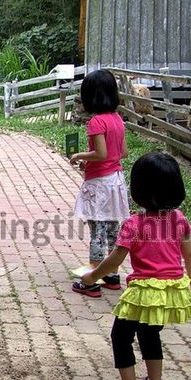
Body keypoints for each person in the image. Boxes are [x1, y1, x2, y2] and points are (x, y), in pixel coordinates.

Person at [81, 152, 191, 380]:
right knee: (150, 335)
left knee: (121, 336)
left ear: (138, 187)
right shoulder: (179, 219)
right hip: (170, 292)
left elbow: (115, 260)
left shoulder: (134, 224)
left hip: (144, 291)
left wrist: (92, 276)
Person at [69, 70, 130, 297]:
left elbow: (101, 153)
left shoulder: (96, 122)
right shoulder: (117, 119)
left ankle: (91, 280)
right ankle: (112, 275)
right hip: (116, 181)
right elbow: (122, 153)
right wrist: (93, 161)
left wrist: (80, 156)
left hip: (99, 185)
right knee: (114, 230)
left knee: (97, 231)